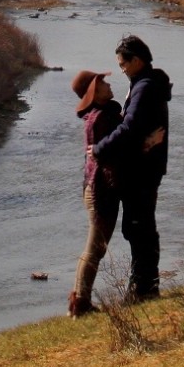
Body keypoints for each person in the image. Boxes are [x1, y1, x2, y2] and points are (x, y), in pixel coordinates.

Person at [92, 33, 172, 301]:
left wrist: (100, 149)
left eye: (123, 64)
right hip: (145, 166)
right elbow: (136, 129)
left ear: (136, 61)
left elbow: (130, 127)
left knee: (140, 228)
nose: (121, 69)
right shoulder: (145, 84)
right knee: (138, 227)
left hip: (143, 171)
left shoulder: (145, 87)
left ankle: (144, 289)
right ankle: (142, 287)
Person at [66, 69, 121, 318]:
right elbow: (118, 148)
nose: (108, 85)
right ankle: (81, 304)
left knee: (94, 247)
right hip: (101, 190)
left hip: (94, 187)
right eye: (103, 83)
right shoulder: (102, 118)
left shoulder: (98, 115)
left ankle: (79, 300)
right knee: (95, 247)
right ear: (94, 92)